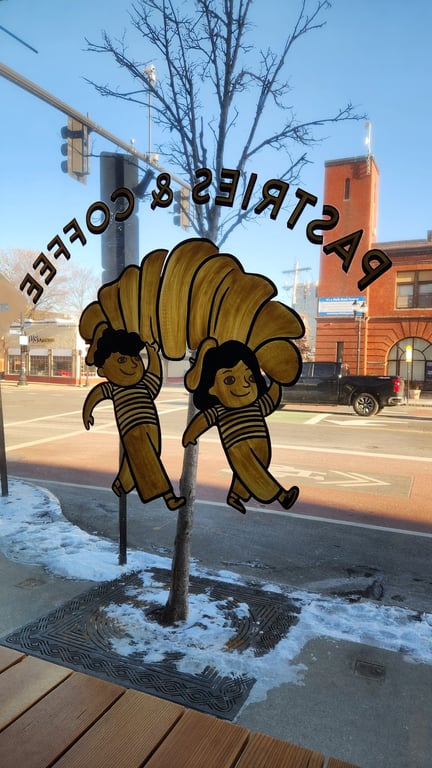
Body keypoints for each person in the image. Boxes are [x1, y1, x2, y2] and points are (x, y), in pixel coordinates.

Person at [182, 338, 299, 514]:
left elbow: (270, 401)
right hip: (237, 445)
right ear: (211, 388)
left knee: (254, 467)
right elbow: (203, 420)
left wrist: (276, 380)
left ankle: (235, 495)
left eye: (250, 377)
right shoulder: (219, 411)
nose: (244, 384)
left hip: (261, 444)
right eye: (229, 380)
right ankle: (281, 495)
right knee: (252, 471)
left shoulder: (256, 405)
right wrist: (190, 435)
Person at [82, 327, 185, 511]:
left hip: (151, 425)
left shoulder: (144, 385)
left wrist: (152, 351)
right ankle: (168, 497)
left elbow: (154, 373)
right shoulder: (113, 388)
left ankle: (121, 484)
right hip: (131, 428)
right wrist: (88, 412)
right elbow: (96, 395)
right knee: (148, 460)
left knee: (141, 457)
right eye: (122, 360)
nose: (132, 365)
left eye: (135, 359)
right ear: (103, 370)